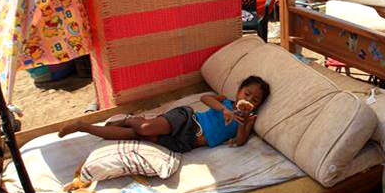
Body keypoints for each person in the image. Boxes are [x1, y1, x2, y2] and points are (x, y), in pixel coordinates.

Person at [59, 76, 271, 151]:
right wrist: (225, 109)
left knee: (139, 136)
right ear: (239, 90)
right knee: (145, 127)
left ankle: (83, 127)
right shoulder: (225, 100)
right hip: (187, 119)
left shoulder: (248, 119)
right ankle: (130, 119)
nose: (249, 100)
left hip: (188, 143)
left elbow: (241, 141)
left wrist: (242, 123)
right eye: (247, 93)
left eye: (255, 100)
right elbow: (205, 98)